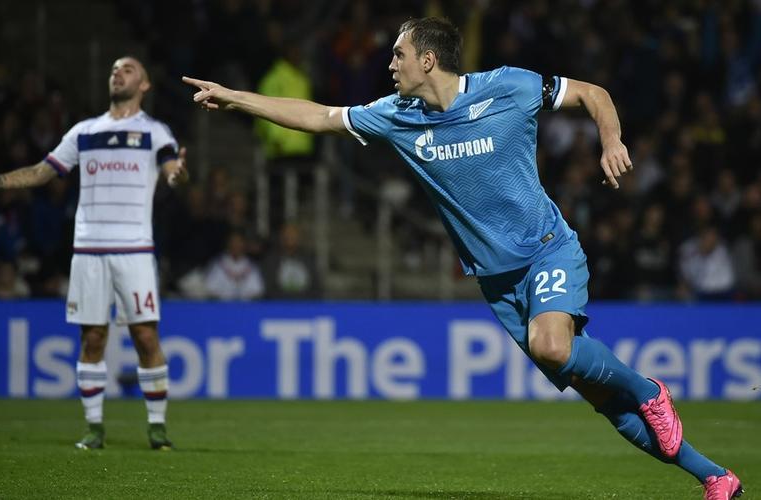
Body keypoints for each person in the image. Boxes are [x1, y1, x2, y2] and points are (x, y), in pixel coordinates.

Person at [183, 17, 743, 499]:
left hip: (547, 249)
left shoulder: (509, 86)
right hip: (498, 284)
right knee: (601, 399)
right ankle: (715, 477)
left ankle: (649, 390)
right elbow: (317, 116)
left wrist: (612, 140)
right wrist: (236, 98)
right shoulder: (396, 115)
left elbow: (593, 93)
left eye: (398, 54)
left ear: (428, 60)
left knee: (555, 347)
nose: (390, 64)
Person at [0, 56, 188, 451]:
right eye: (114, 69)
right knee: (92, 338)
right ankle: (94, 428)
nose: (118, 73)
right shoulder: (84, 131)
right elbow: (42, 172)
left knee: (146, 336)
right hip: (89, 250)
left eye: (128, 69)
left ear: (145, 85)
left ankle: (157, 427)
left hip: (134, 249)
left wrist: (178, 173)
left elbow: (171, 169)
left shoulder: (154, 131)